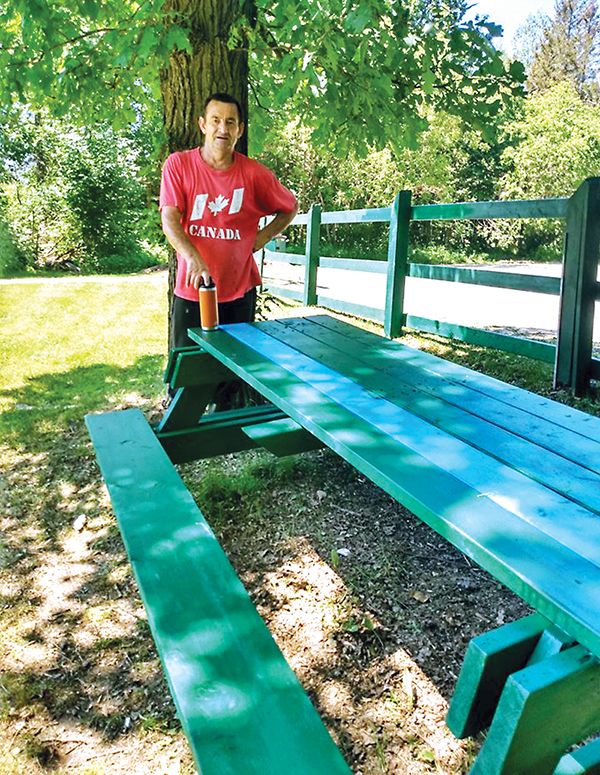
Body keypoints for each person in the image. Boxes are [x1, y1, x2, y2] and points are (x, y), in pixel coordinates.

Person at [159, 92, 298, 360]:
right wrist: (193, 259)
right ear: (203, 124)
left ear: (240, 130)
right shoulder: (178, 165)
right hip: (192, 292)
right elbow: (170, 220)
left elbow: (290, 206)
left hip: (238, 294)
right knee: (189, 371)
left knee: (236, 373)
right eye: (216, 120)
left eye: (230, 122)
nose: (222, 128)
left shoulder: (254, 174)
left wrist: (261, 238)